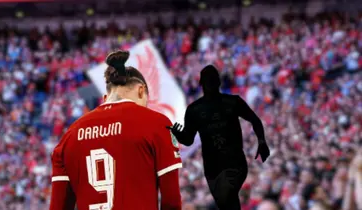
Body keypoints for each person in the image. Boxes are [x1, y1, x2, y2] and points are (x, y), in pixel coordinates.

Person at [49, 50, 183, 210]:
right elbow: (172, 202)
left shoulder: (70, 135)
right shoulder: (157, 123)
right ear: (141, 90)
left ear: (106, 98)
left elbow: (58, 206)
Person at [168, 65, 270, 210]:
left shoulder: (232, 102)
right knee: (226, 203)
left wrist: (262, 141)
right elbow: (188, 140)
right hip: (212, 167)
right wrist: (177, 133)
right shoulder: (194, 109)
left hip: (233, 162)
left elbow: (254, 119)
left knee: (227, 197)